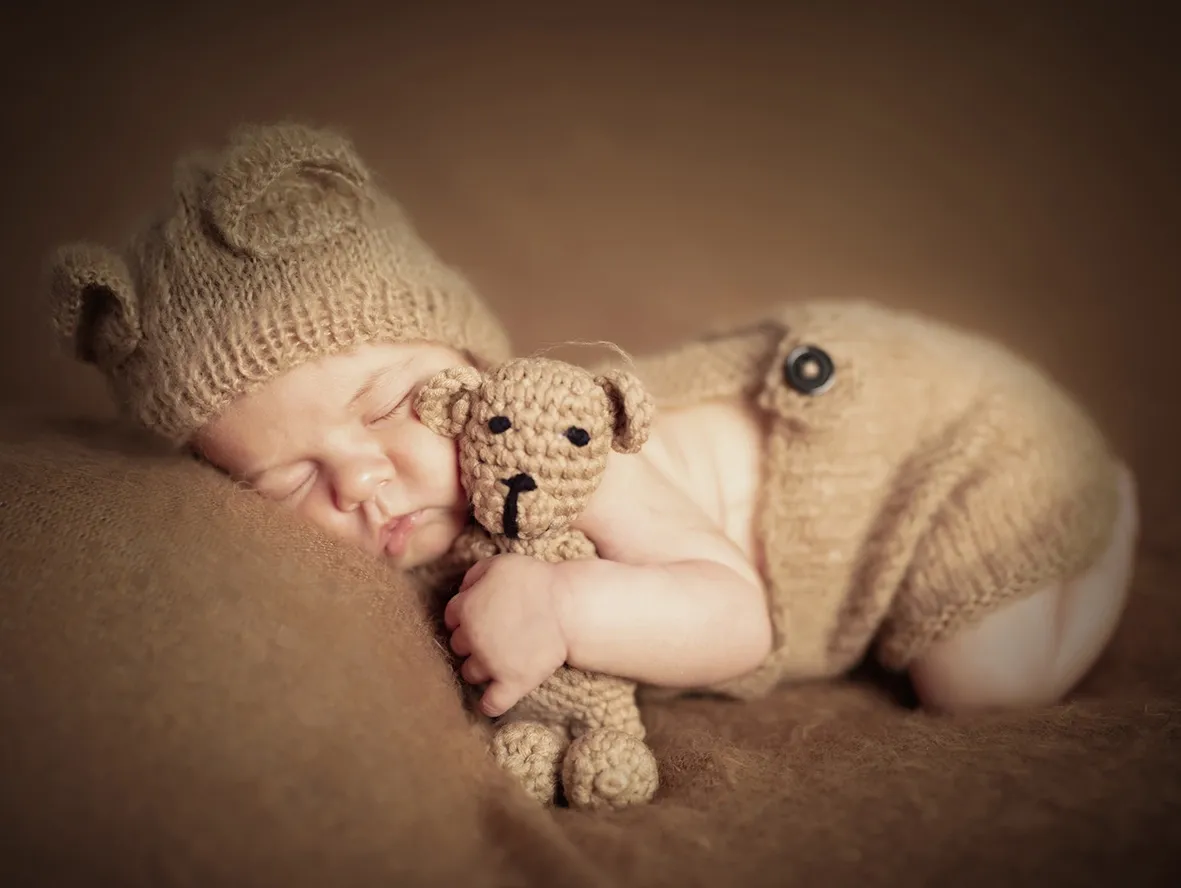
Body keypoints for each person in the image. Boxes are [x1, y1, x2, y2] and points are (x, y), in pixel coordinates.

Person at [46, 122, 1139, 719]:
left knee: (982, 687)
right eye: (281, 479)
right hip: (886, 437)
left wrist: (566, 607)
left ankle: (1107, 506)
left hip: (932, 444)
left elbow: (738, 620)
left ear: (476, 369)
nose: (359, 482)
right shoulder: (396, 528)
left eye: (385, 406)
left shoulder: (557, 454)